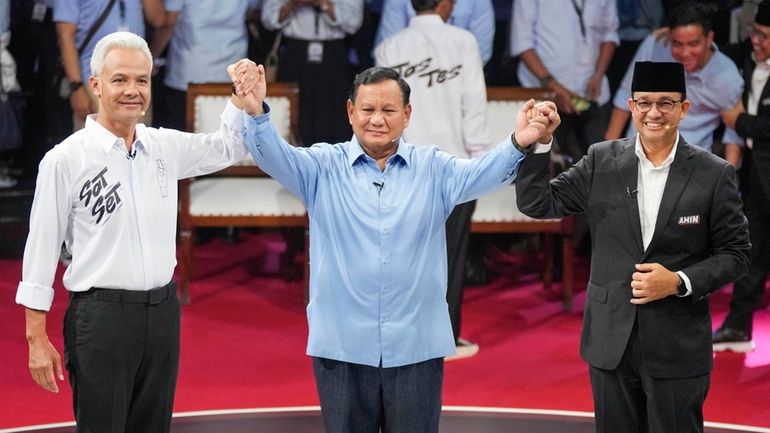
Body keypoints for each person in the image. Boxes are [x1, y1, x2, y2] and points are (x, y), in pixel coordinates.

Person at [239, 64, 559, 432]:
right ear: (350, 112)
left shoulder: (434, 167)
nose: (377, 119)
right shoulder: (320, 167)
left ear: (406, 115)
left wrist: (521, 140)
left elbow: (484, 172)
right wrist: (255, 112)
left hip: (416, 347)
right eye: (368, 109)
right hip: (342, 347)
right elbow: (272, 155)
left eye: (388, 110)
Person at [15, 31, 259, 433]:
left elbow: (226, 148)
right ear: (95, 85)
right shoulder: (64, 160)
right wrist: (35, 338)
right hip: (100, 319)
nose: (133, 91)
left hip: (163, 316)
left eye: (141, 80)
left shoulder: (164, 146)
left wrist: (239, 98)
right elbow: (40, 251)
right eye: (120, 80)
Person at [515, 61, 751, 433]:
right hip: (610, 343)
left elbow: (736, 254)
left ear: (683, 109)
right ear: (631, 105)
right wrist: (538, 144)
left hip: (677, 347)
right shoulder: (600, 160)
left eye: (665, 103)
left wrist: (678, 281)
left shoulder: (713, 172)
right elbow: (538, 203)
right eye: (643, 103)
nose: (653, 113)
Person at [374, 0, 489, 360]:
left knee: (400, 255)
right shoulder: (464, 41)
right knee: (451, 257)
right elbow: (474, 104)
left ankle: (399, 336)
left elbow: (382, 113)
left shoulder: (388, 48)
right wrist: (482, 165)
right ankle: (445, 339)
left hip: (402, 167)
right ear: (446, 4)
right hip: (454, 166)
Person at [605, 1, 744, 166]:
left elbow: (734, 131)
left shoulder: (727, 76)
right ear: (670, 36)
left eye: (693, 44)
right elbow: (624, 96)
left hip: (688, 165)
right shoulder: (655, 46)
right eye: (677, 43)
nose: (685, 53)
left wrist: (728, 180)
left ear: (709, 38)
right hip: (635, 156)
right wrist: (607, 156)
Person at [714, 0, 770, 352]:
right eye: (755, 33)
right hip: (756, 177)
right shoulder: (747, 57)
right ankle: (738, 326)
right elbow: (714, 50)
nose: (755, 41)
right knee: (753, 250)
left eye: (763, 36)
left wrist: (739, 122)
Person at [511, 0, 619, 162]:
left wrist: (599, 74)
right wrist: (553, 88)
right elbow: (522, 43)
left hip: (594, 94)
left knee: (603, 168)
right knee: (548, 172)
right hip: (543, 98)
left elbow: (609, 34)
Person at [260, 0, 364, 146]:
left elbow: (354, 21)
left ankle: (331, 165)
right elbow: (268, 19)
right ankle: (293, 164)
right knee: (292, 117)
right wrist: (293, 4)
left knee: (334, 117)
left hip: (333, 53)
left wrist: (323, 3)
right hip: (295, 52)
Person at [54, 0, 167, 130]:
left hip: (136, 79)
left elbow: (158, 19)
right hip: (94, 78)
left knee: (139, 142)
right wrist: (76, 87)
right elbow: (65, 35)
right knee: (96, 145)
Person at [149, 0, 258, 131]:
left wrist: (151, 56)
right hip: (232, 70)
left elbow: (169, 22)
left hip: (189, 71)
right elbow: (252, 12)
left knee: (182, 139)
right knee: (226, 134)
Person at [375, 0, 494, 65]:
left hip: (459, 74)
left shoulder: (467, 41)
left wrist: (448, 74)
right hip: (408, 75)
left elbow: (481, 53)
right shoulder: (388, 47)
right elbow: (390, 52)